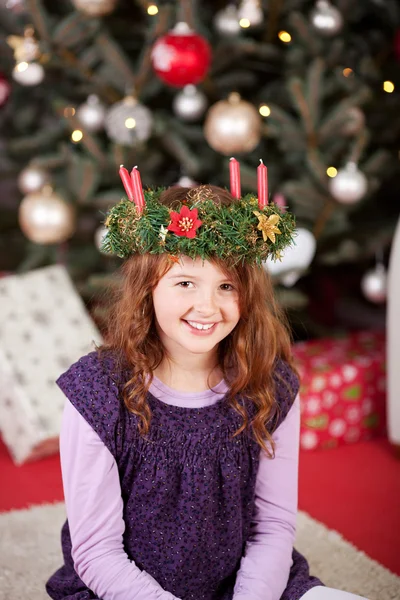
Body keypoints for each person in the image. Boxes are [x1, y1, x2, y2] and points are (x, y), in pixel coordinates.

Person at [46, 164, 368, 600]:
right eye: (184, 282)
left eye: (226, 286)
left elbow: (272, 526)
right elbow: (97, 552)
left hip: (244, 584)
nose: (207, 306)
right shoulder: (97, 391)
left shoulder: (271, 384)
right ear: (147, 289)